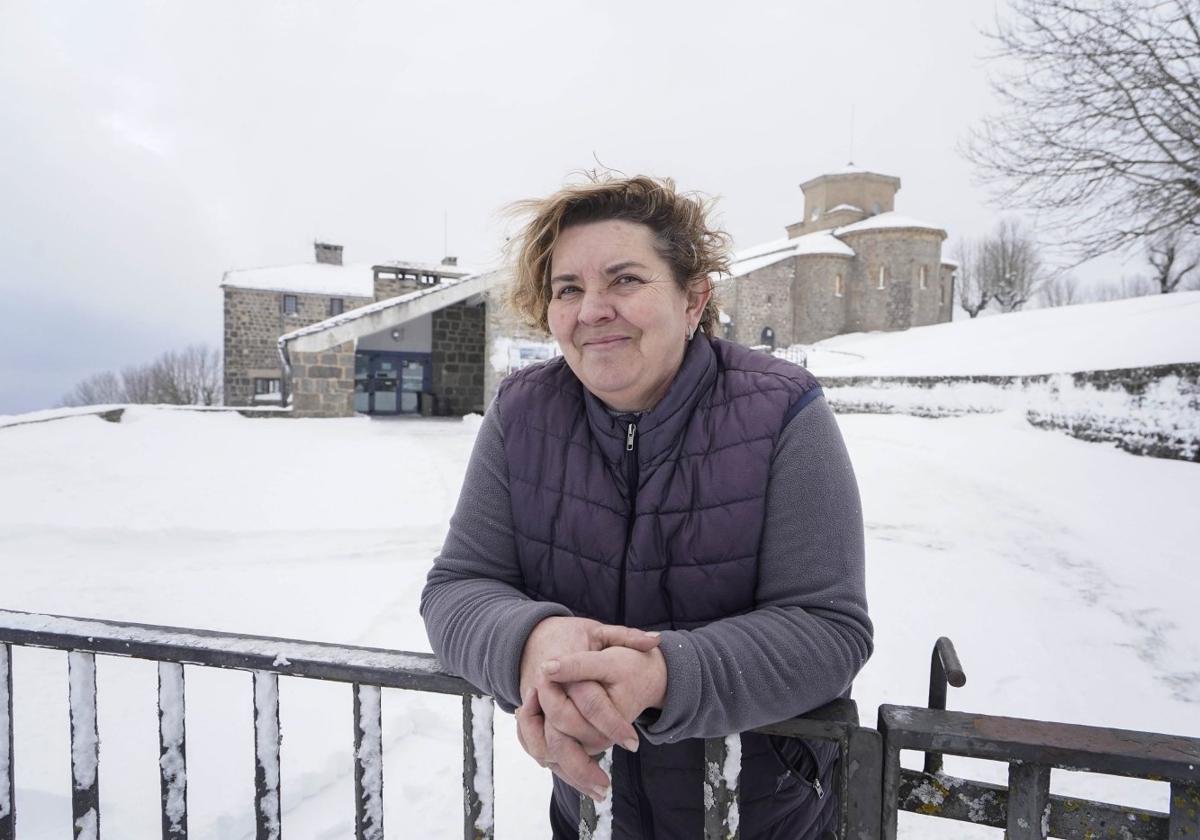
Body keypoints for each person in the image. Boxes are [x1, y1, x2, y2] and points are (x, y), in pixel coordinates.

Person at [421, 174, 872, 840]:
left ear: (694, 300)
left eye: (624, 280)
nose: (592, 309)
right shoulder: (522, 415)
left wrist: (662, 675)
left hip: (764, 817)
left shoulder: (784, 411)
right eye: (567, 288)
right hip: (593, 818)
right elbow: (458, 587)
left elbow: (829, 629)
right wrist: (532, 642)